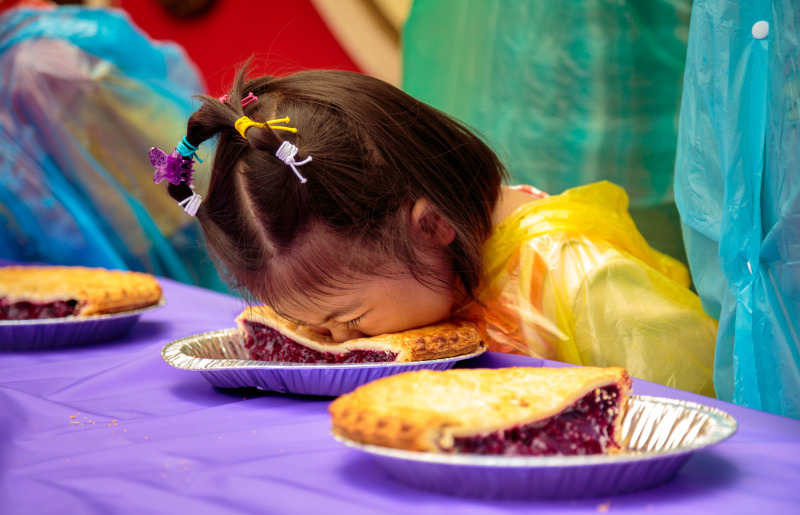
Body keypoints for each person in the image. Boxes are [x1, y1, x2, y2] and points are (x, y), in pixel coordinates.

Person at [152, 65, 718, 397]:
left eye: (348, 320)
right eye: (311, 325)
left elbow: (695, 408)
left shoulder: (578, 275)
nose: (338, 344)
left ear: (432, 225)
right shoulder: (411, 267)